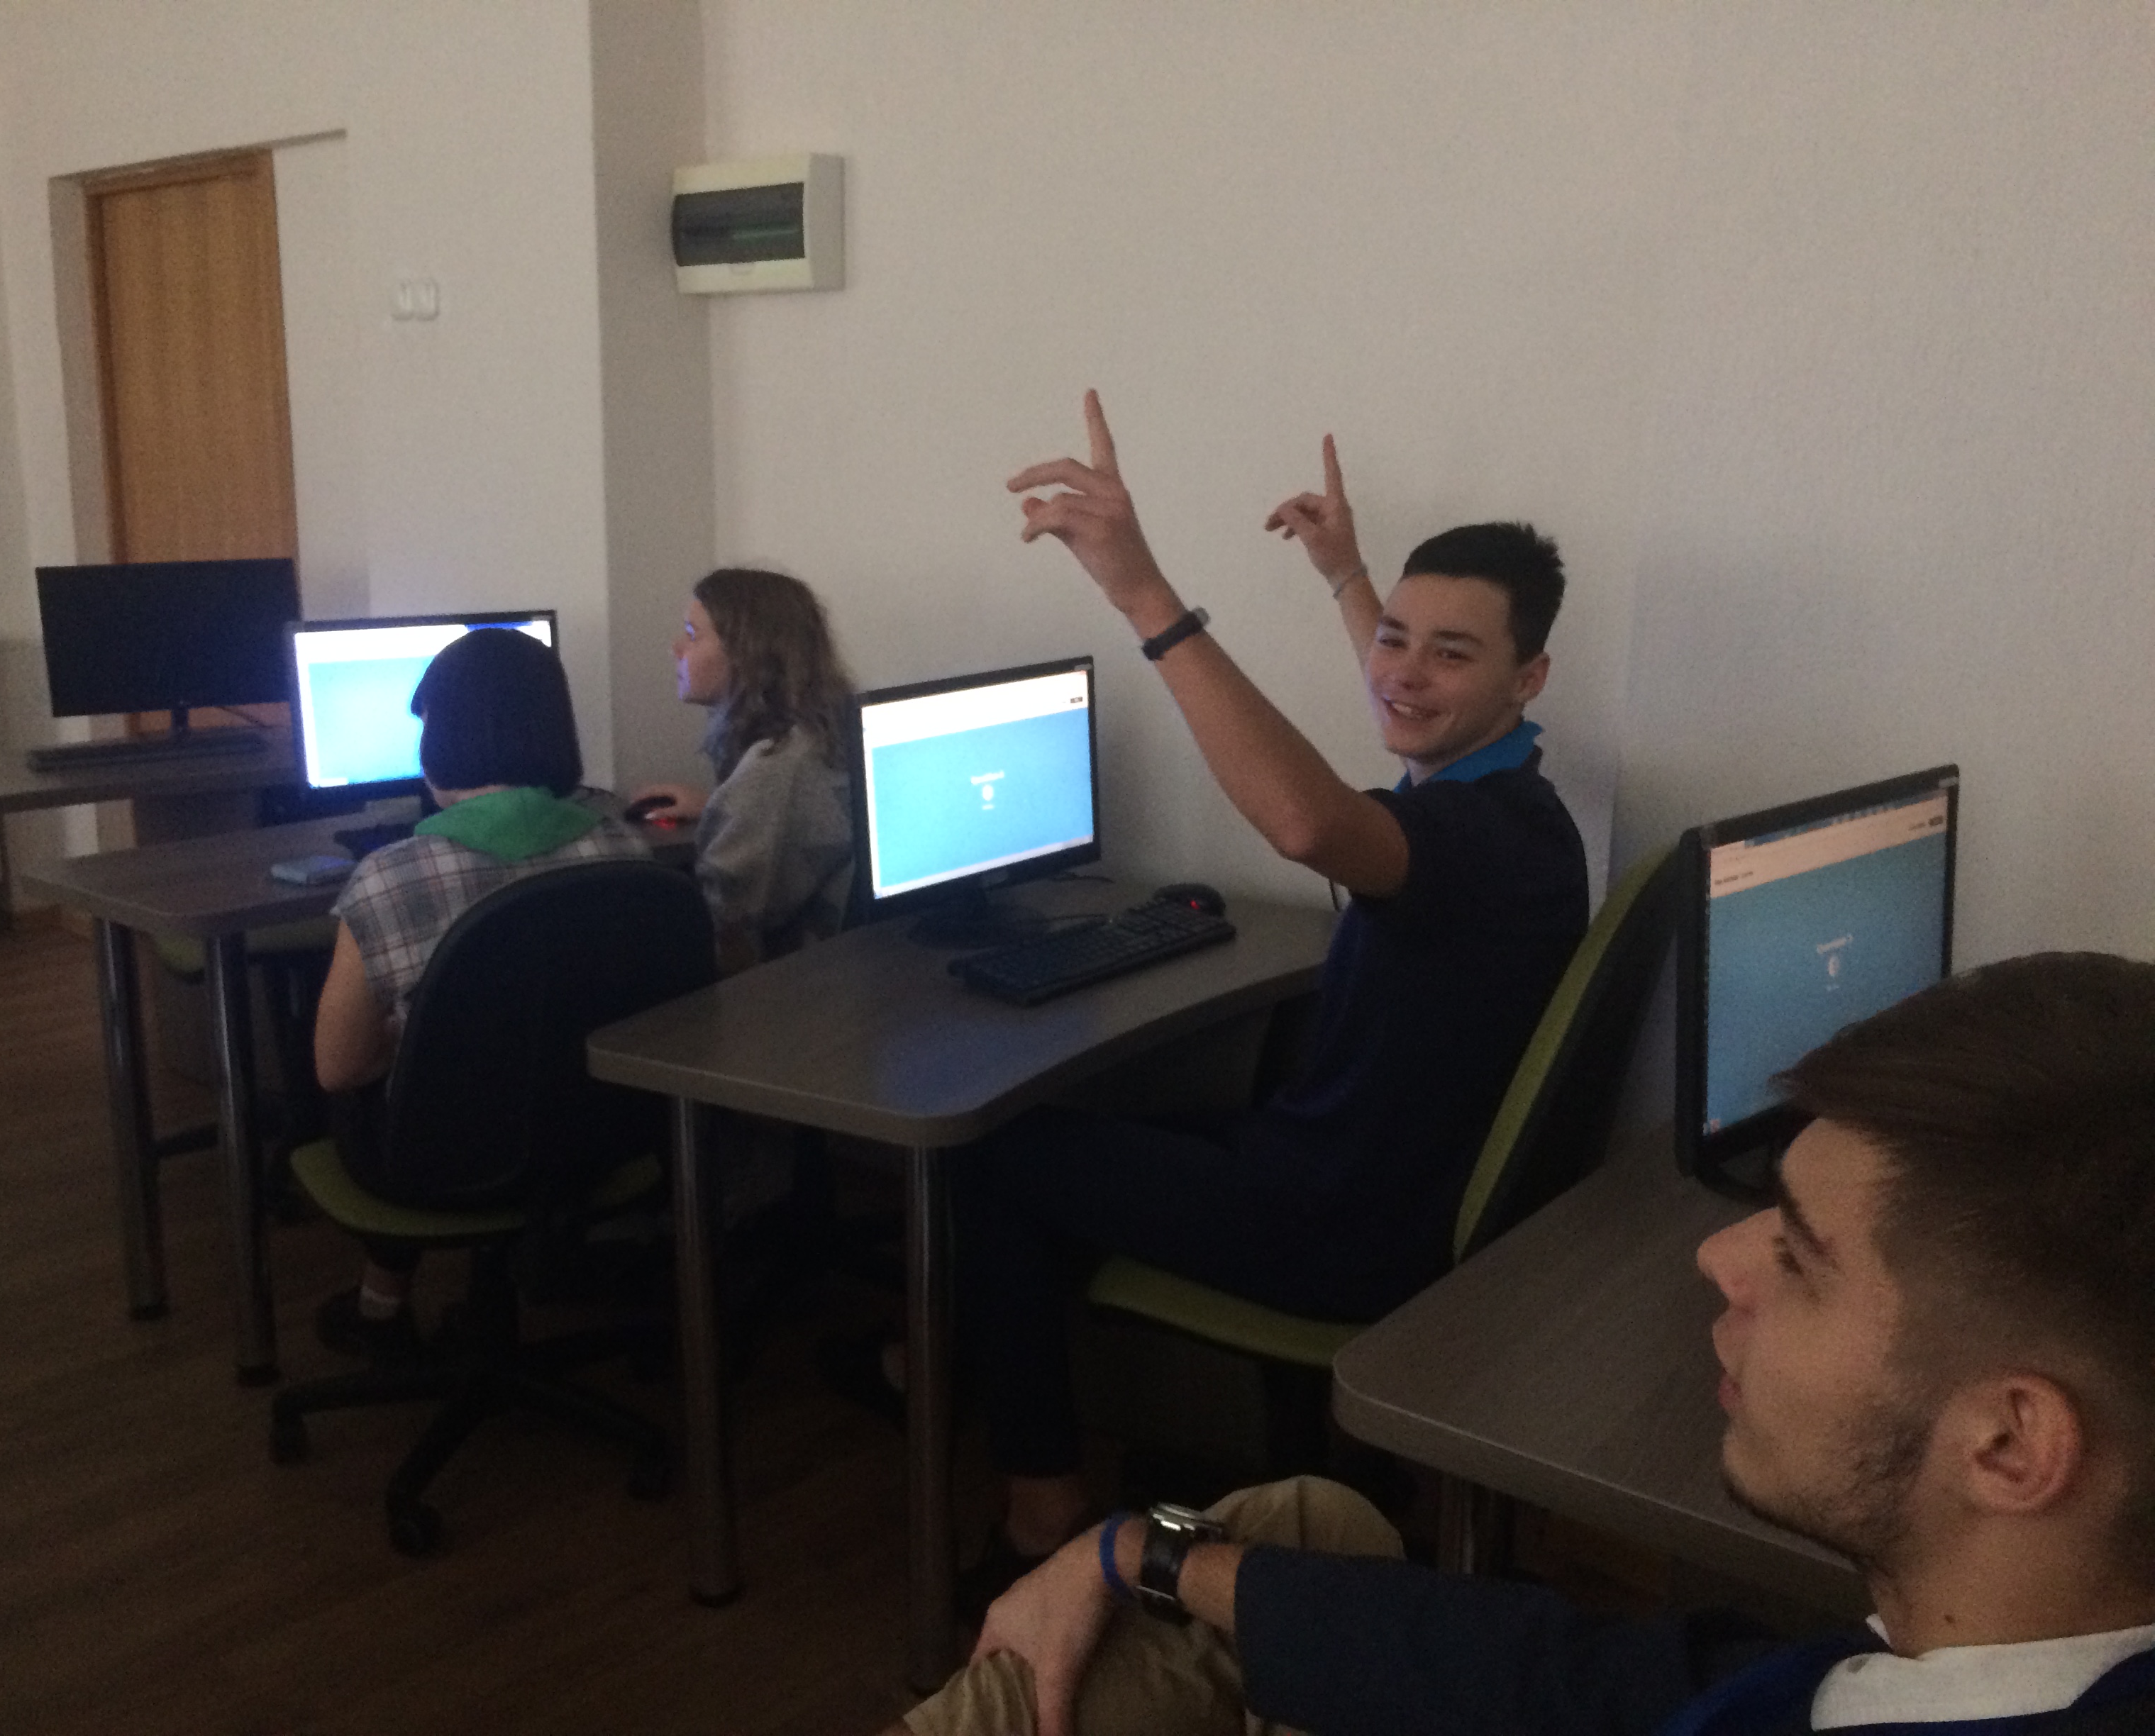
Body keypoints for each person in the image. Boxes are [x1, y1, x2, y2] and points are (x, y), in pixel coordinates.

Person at [891, 950, 2155, 1736]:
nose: (1720, 1257)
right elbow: (1604, 1683)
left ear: (2008, 1443)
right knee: (1301, 1517)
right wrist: (1151, 1552)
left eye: (1799, 1257)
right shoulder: (1957, 1657)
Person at [893, 392, 1588, 1602]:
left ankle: (1039, 1499)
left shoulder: (1473, 843)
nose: (1402, 673)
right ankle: (966, 1366)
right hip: (1363, 1179)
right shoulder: (1509, 804)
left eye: (1452, 652)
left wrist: (1143, 598)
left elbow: (1306, 821)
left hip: (1337, 1228)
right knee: (1100, 1121)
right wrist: (1347, 580)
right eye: (1395, 640)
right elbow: (1407, 707)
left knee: (992, 1153)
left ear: (1529, 676)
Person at [309, 625, 650, 1357]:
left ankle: (381, 1308)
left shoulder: (390, 877)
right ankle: (492, 1291)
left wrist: (415, 1035)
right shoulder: (624, 845)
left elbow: (338, 1068)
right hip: (599, 1141)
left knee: (373, 1078)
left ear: (440, 740)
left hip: (437, 1161)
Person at [626, 567, 855, 974]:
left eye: (693, 635)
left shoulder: (773, 770)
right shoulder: (822, 731)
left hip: (788, 988)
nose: (676, 648)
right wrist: (718, 805)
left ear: (747, 654)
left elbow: (722, 935)